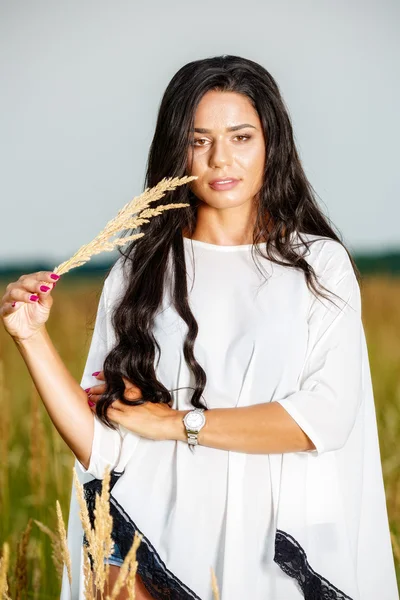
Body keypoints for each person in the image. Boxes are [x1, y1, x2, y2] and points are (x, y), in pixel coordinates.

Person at [1, 55, 398, 600]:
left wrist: (175, 423)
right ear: (176, 149)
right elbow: (103, 448)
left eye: (240, 137)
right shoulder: (137, 271)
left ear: (271, 143)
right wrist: (30, 337)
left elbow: (324, 418)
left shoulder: (318, 265)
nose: (220, 159)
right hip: (156, 546)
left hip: (274, 556)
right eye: (199, 140)